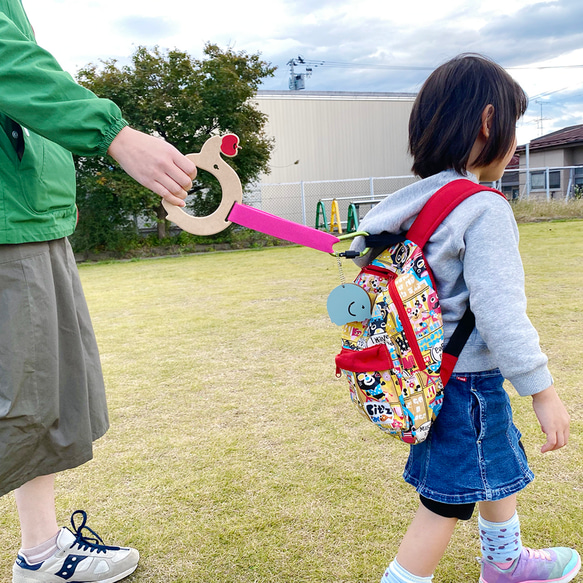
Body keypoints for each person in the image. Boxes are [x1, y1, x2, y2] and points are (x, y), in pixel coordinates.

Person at [350, 54, 581, 583]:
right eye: (514, 126)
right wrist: (542, 391)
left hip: (421, 376)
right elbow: (501, 315)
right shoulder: (482, 208)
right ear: (487, 121)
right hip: (468, 381)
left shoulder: (401, 206)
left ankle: (506, 563)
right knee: (445, 503)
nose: (515, 141)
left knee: (491, 469)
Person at [0, 1, 196, 582]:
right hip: (8, 221)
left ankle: (40, 552)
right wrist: (114, 134)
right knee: (19, 408)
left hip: (33, 214)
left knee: (51, 402)